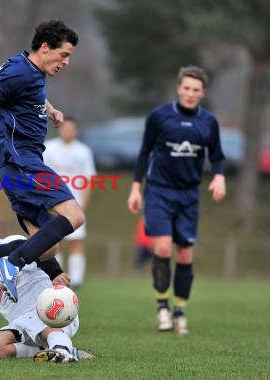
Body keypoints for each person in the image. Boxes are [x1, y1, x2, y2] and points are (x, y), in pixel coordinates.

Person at [0, 20, 84, 303]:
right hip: (22, 163)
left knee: (47, 249)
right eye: (64, 54)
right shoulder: (19, 73)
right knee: (75, 216)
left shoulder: (30, 70)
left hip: (15, 165)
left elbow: (27, 97)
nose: (66, 62)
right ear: (46, 48)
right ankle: (12, 263)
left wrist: (51, 109)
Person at [127, 65, 226, 335]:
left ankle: (180, 311)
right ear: (178, 88)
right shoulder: (160, 117)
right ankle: (162, 309)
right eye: (187, 88)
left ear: (203, 92)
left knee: (184, 254)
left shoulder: (208, 122)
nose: (191, 94)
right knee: (162, 250)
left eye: (196, 90)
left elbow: (216, 155)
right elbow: (144, 152)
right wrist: (136, 188)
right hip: (159, 191)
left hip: (189, 195)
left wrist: (219, 177)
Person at [0, 208, 94, 363]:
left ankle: (62, 351)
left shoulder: (10, 243)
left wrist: (55, 272)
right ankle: (52, 349)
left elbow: (35, 246)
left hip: (51, 312)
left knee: (43, 324)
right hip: (25, 323)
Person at [43, 117, 96, 289]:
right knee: (53, 241)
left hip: (75, 204)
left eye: (71, 129)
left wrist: (83, 206)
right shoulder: (49, 148)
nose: (68, 132)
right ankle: (55, 277)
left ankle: (77, 280)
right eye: (65, 128)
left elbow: (88, 179)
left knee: (76, 242)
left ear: (76, 131)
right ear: (59, 129)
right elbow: (41, 177)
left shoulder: (83, 151)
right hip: (54, 203)